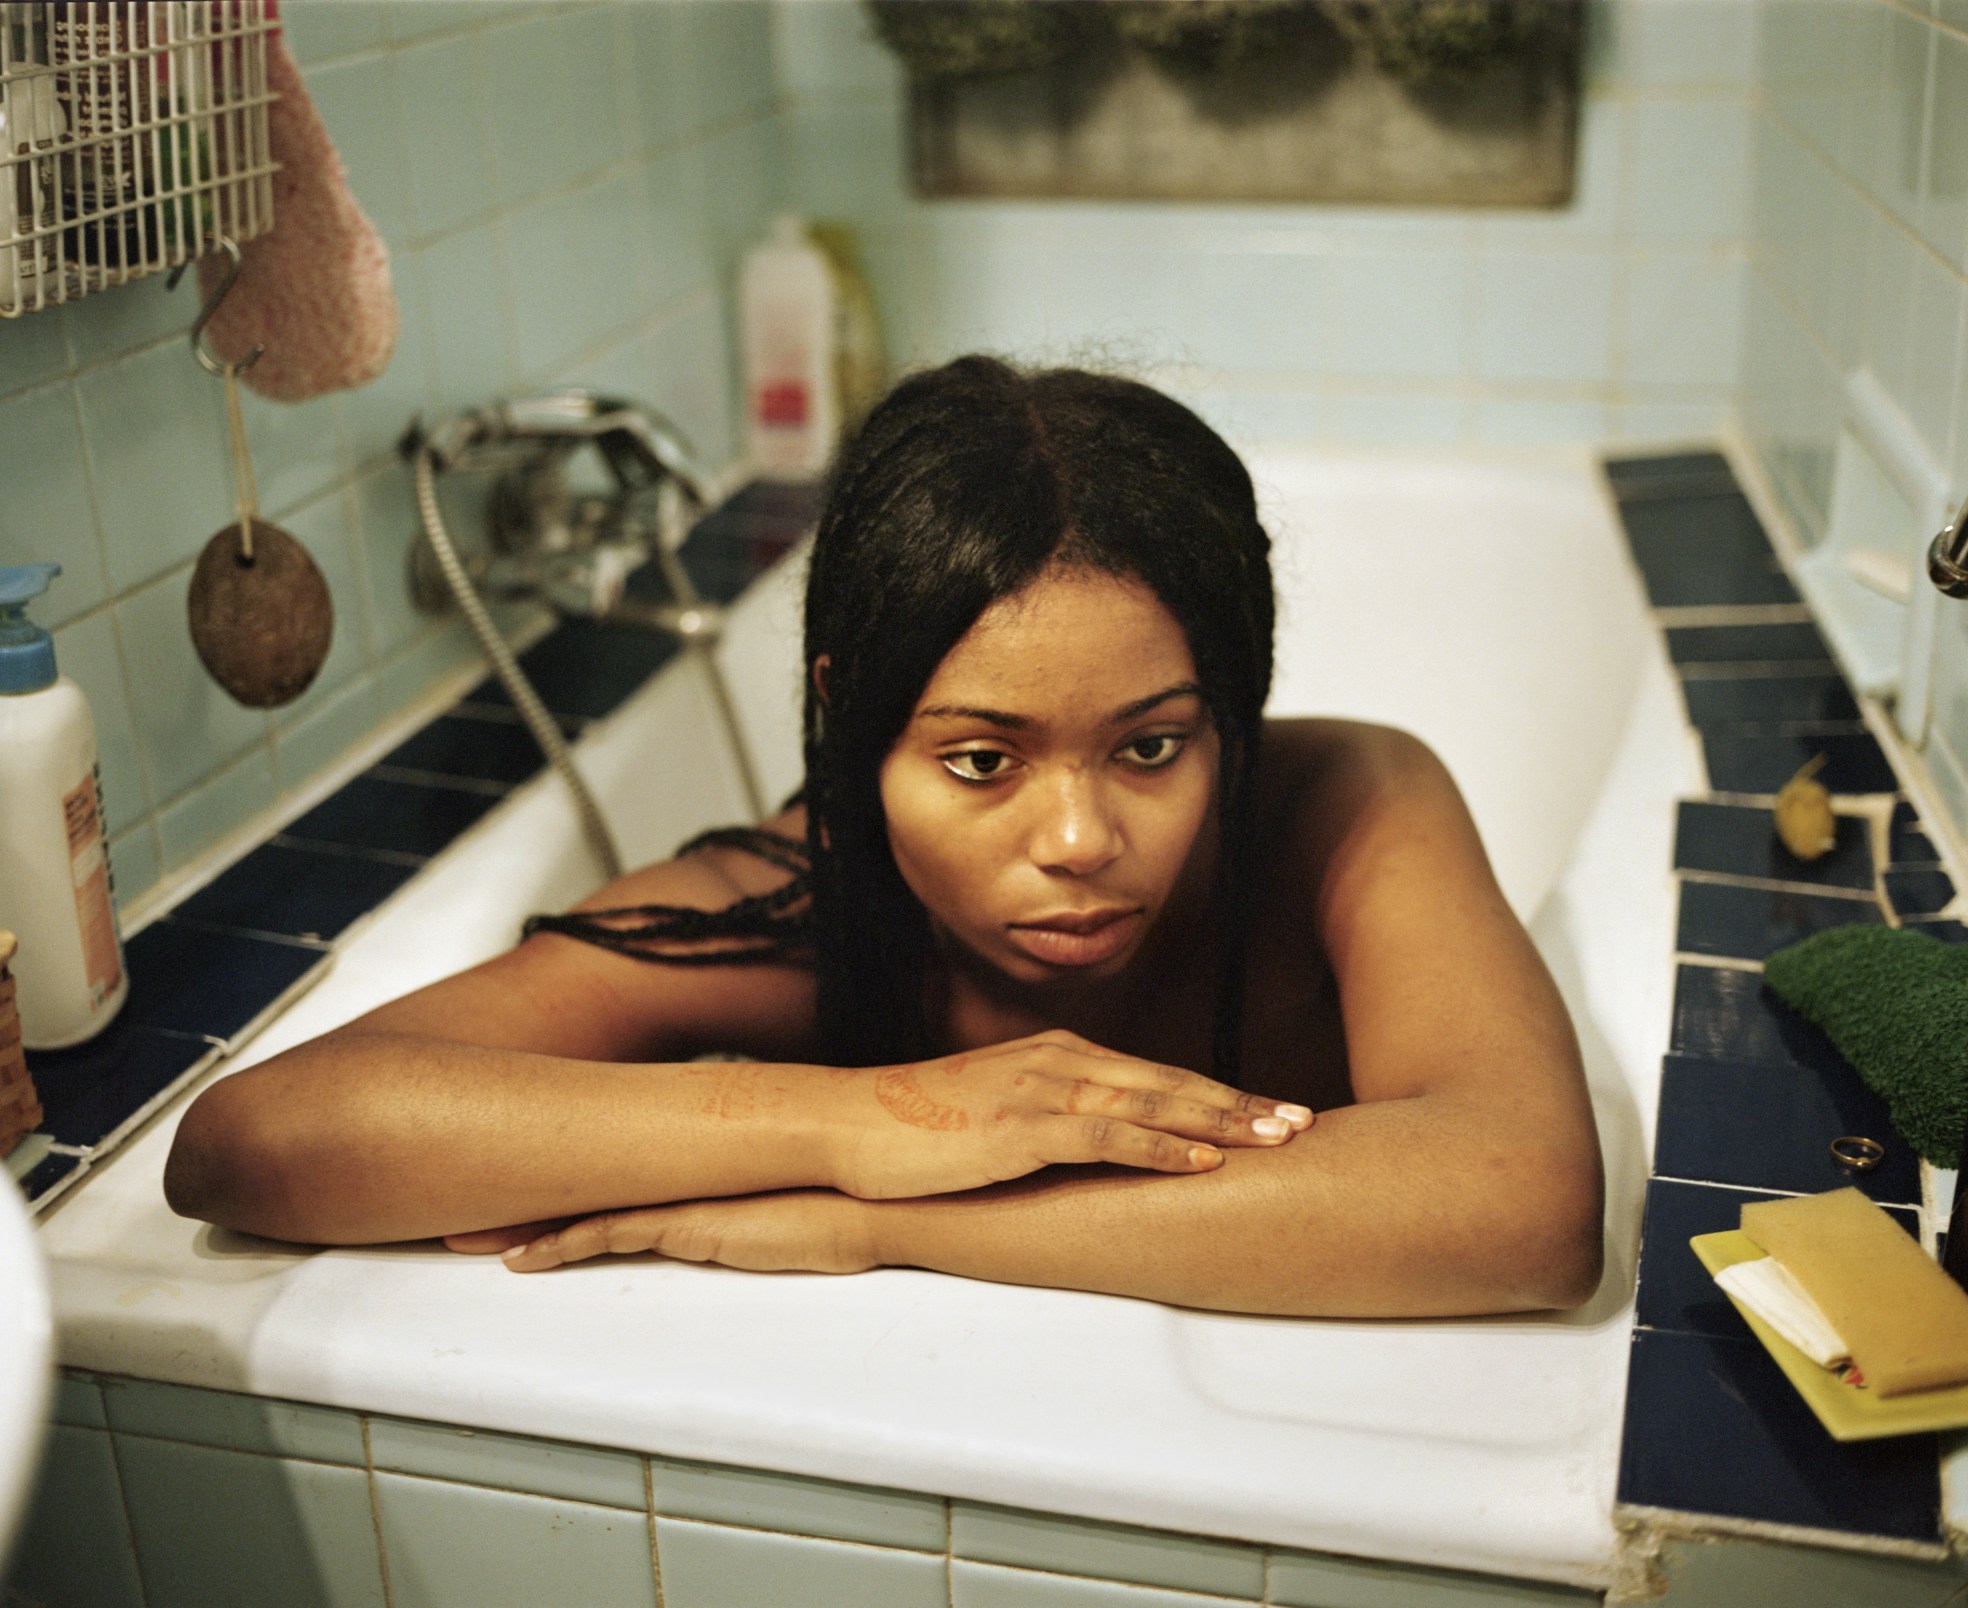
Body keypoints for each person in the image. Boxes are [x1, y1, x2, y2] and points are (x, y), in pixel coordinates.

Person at [164, 356, 1603, 1319]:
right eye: (980, 761)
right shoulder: (784, 904)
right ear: (857, 726)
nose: (1081, 835)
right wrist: (877, 1121)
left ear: (1234, 707)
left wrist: (887, 1221)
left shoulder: (1341, 811)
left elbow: (1525, 1204)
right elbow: (250, 1142)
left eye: (1153, 744)